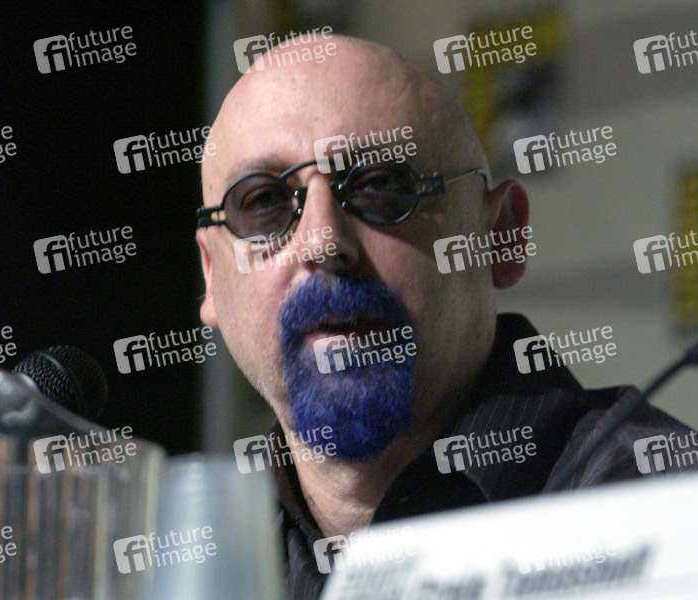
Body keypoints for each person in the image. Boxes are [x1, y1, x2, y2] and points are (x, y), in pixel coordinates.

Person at [195, 35, 695, 599]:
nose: (322, 242)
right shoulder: (193, 560)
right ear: (211, 273)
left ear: (501, 236)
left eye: (379, 185)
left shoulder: (667, 510)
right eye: (263, 202)